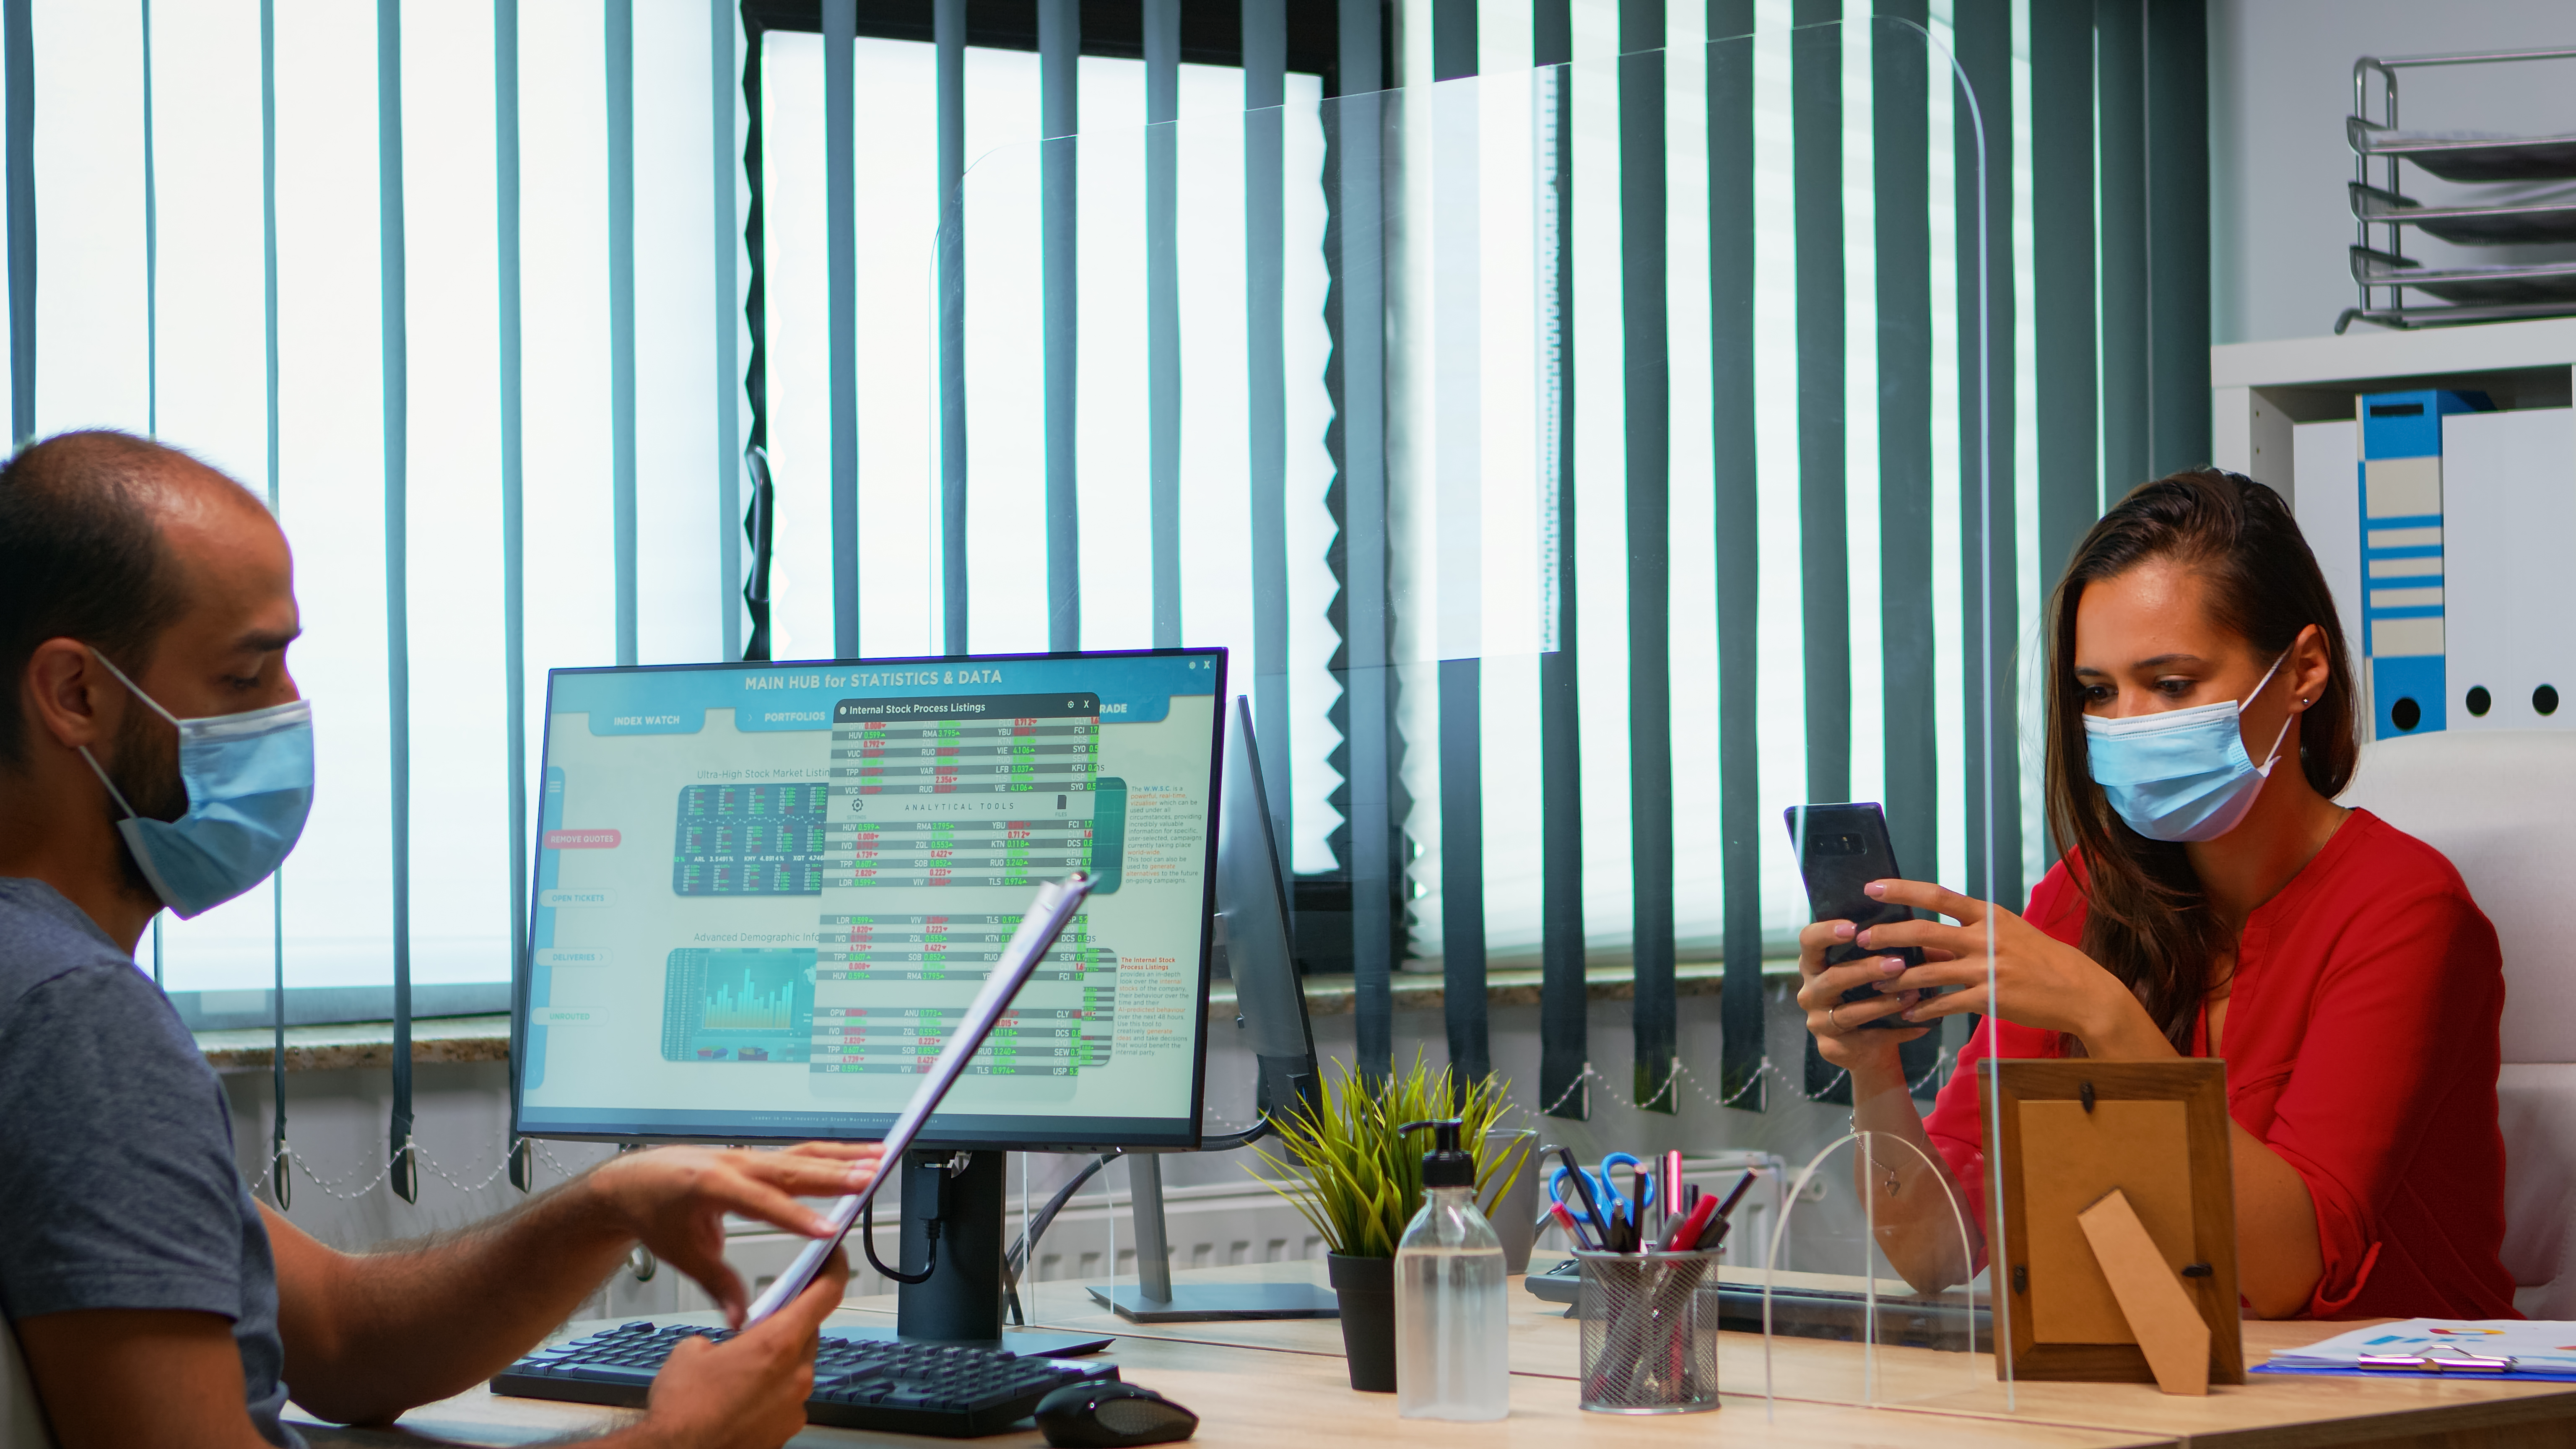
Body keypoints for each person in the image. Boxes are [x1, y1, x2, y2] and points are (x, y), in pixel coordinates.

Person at [0, 429, 882, 1448]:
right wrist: (677, 1444)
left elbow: (340, 1340)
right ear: (76, 695)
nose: (293, 713)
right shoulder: (74, 1018)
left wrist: (607, 1205)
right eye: (246, 679)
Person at [1796, 467, 2514, 1321]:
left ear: (2305, 671)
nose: (2127, 723)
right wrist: (1875, 1069)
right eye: (2099, 691)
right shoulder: (2082, 898)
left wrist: (2105, 1017)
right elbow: (1936, 1252)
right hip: (2160, 1394)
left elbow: (2285, 1274)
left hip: (2403, 1403)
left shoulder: (2406, 913)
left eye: (2172, 685)